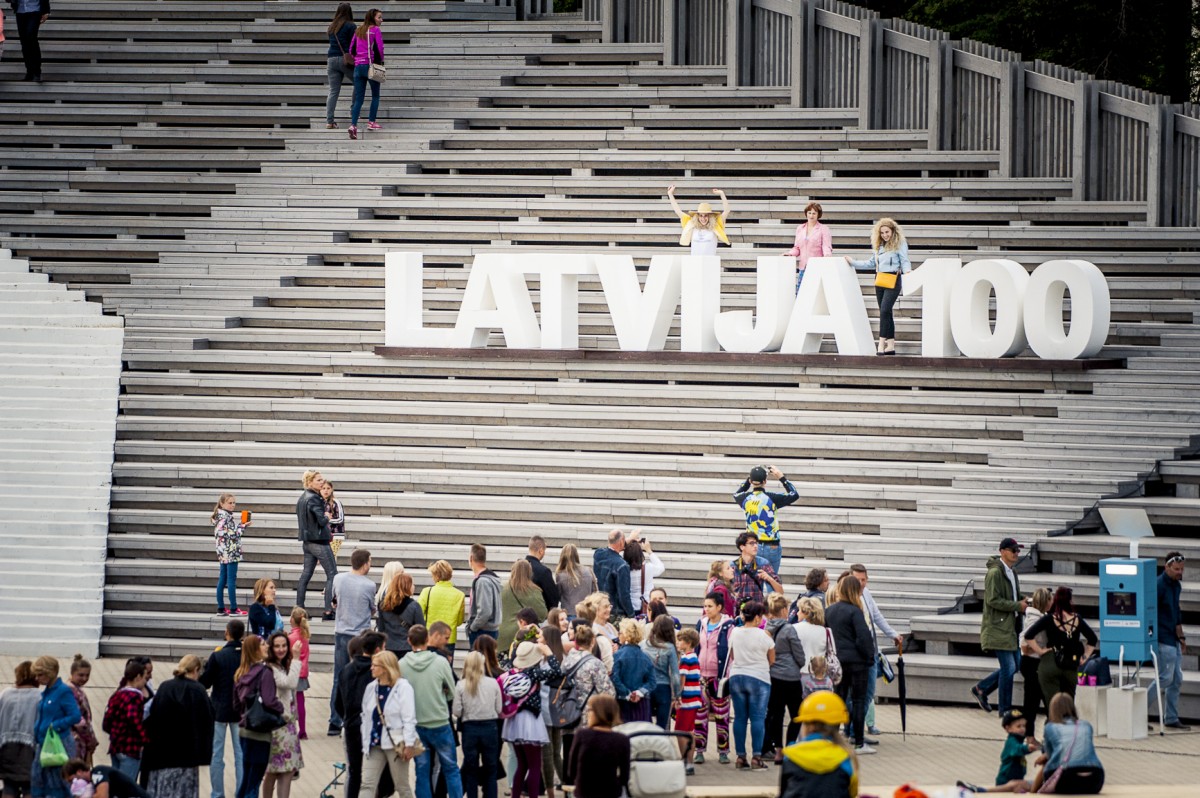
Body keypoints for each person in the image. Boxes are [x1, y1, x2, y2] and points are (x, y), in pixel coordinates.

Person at [399, 625, 462, 798]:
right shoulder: (441, 662)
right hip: (440, 722)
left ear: (409, 641)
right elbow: (452, 691)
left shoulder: (402, 665)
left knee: (422, 771)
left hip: (417, 724)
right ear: (428, 639)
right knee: (451, 768)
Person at [141, 655, 215, 798]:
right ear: (196, 670)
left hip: (162, 755)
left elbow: (153, 716)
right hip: (188, 756)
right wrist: (204, 754)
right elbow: (207, 720)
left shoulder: (164, 687)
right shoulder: (198, 690)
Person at [972, 538, 1028, 717]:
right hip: (998, 627)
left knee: (1015, 665)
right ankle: (1004, 709)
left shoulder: (1012, 571)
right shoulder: (995, 572)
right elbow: (992, 600)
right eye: (1013, 550)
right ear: (1002, 551)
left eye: (1018, 551)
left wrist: (1027, 601)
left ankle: (982, 688)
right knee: (1009, 668)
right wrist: (1017, 606)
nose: (1016, 554)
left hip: (1010, 628)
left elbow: (1014, 595)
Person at [501, 641, 561, 798]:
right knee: (535, 765)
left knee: (522, 765)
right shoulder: (533, 674)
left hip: (514, 722)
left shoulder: (512, 672)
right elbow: (557, 672)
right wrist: (548, 653)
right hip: (531, 721)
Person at [845, 216, 912, 355]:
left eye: (887, 232)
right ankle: (891, 346)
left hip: (893, 279)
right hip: (880, 280)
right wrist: (853, 262)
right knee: (886, 312)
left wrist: (908, 272)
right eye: (882, 233)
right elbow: (871, 263)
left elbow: (905, 261)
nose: (885, 235)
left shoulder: (900, 244)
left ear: (893, 231)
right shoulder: (879, 247)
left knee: (884, 310)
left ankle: (881, 344)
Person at [334, 631, 389, 798]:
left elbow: (338, 702)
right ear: (378, 650)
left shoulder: (345, 670)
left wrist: (347, 717)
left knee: (354, 772)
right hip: (372, 728)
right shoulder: (377, 673)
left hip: (351, 726)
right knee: (380, 773)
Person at [850, 563, 902, 738]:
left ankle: (855, 731)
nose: (862, 583)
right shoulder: (846, 597)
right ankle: (854, 732)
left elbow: (876, 616)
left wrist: (892, 634)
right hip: (856, 654)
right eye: (858, 580)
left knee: (868, 693)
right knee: (857, 695)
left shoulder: (866, 593)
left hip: (871, 651)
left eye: (864, 580)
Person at [824, 575, 874, 755]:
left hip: (838, 660)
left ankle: (832, 739)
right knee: (858, 700)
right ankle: (859, 742)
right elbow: (863, 638)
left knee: (838, 699)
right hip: (857, 662)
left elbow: (826, 635)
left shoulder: (830, 610)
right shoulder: (855, 611)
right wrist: (869, 658)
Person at [359, 651, 419, 797]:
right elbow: (365, 715)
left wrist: (409, 744)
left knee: (402, 786)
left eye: (375, 665)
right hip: (374, 744)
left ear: (386, 668)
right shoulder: (371, 687)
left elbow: (409, 717)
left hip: (396, 743)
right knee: (367, 784)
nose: (371, 668)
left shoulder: (403, 687)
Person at [330, 549, 377, 736]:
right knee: (363, 677)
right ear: (365, 563)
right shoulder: (369, 585)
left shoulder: (338, 579)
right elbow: (372, 609)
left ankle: (334, 720)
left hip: (341, 631)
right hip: (360, 636)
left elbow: (335, 601)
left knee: (338, 677)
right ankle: (359, 717)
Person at [1023, 587, 1097, 704]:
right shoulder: (1077, 619)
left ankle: (1053, 720)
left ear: (1055, 601)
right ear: (1070, 601)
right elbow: (1093, 639)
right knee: (1068, 702)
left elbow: (1028, 636)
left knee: (1054, 704)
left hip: (1052, 662)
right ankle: (1067, 721)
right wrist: (1085, 656)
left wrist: (1040, 651)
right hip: (1071, 664)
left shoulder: (1049, 618)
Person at [778, 691, 858, 798]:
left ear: (808, 726)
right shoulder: (845, 758)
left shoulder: (790, 756)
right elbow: (852, 793)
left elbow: (783, 792)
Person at [232, 636, 284, 798]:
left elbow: (235, 704)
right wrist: (280, 707)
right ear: (255, 650)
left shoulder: (241, 673)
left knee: (246, 779)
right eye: (262, 644)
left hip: (244, 730)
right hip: (260, 732)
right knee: (254, 783)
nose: (267, 646)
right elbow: (269, 700)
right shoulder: (264, 672)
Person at [199, 619, 245, 798]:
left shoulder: (217, 656)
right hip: (240, 710)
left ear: (227, 633)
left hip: (219, 708)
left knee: (216, 754)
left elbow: (206, 682)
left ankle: (217, 793)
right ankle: (241, 792)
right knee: (240, 755)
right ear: (241, 635)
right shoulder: (246, 656)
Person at [728, 601, 775, 770]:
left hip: (737, 676)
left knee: (740, 718)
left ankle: (740, 757)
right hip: (759, 678)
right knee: (757, 718)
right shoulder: (764, 635)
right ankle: (756, 757)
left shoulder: (735, 632)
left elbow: (732, 655)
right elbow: (772, 659)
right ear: (756, 617)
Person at [1030, 694, 1104, 794]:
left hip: (1066, 778)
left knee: (1048, 764)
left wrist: (1044, 756)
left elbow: (1050, 758)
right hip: (1095, 777)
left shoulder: (1050, 727)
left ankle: (1033, 792)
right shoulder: (1086, 725)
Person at [693, 592, 735, 765]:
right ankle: (699, 751)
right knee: (700, 716)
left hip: (719, 679)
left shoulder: (728, 625)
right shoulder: (701, 624)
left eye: (710, 606)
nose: (706, 609)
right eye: (705, 606)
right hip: (701, 677)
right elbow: (696, 647)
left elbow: (732, 651)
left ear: (719, 607)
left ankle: (723, 751)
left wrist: (727, 673)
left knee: (721, 716)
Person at [452, 651, 502, 798]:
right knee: (491, 769)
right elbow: (499, 709)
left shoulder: (461, 685)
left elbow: (457, 711)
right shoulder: (493, 683)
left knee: (470, 770)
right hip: (490, 727)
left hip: (470, 729)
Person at [733, 466, 799, 576]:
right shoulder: (772, 498)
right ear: (765, 481)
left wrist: (748, 482)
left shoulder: (744, 498)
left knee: (755, 584)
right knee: (771, 583)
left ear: (751, 481)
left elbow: (736, 493)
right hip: (771, 545)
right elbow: (794, 494)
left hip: (753, 546)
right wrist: (781, 477)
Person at [956, 710, 1042, 794]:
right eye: (1018, 726)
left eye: (1024, 726)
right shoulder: (1011, 742)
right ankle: (979, 790)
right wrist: (1027, 748)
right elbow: (1016, 750)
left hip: (1015, 779)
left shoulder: (1018, 741)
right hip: (1005, 780)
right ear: (1008, 728)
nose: (1022, 729)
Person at [31, 656, 81, 798]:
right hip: (43, 744)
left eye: (40, 674)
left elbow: (75, 715)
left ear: (50, 672)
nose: (37, 678)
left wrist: (55, 726)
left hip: (58, 744)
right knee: (39, 780)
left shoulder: (63, 691)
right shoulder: (47, 692)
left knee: (57, 782)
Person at [262, 632, 304, 797]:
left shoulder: (280, 665)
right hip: (277, 726)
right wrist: (296, 658)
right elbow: (289, 683)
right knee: (274, 770)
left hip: (288, 724)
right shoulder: (271, 667)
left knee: (285, 770)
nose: (281, 649)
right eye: (277, 646)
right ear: (271, 648)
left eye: (284, 645)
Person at [765, 594, 805, 762]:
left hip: (773, 676)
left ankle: (778, 750)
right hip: (791, 677)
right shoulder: (789, 629)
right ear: (783, 610)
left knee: (776, 714)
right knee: (797, 714)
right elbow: (799, 655)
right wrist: (799, 664)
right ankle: (790, 745)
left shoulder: (766, 628)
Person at [1150, 551, 1188, 729]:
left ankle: (1171, 717)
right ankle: (1139, 710)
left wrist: (1181, 636)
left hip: (1172, 637)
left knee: (1177, 678)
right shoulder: (1159, 585)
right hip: (1162, 636)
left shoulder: (1176, 586)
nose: (1179, 572)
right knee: (1165, 678)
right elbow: (1151, 611)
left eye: (1181, 569)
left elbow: (1176, 612)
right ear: (1166, 567)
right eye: (1176, 569)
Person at [566, 695, 630, 798]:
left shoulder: (582, 735)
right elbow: (624, 778)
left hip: (584, 792)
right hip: (611, 792)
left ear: (595, 713)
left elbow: (572, 772)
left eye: (589, 710)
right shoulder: (622, 739)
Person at [295, 469, 337, 622]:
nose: (322, 482)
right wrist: (326, 516)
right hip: (319, 542)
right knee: (332, 574)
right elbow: (321, 521)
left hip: (307, 542)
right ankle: (328, 611)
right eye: (318, 480)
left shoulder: (302, 498)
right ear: (310, 482)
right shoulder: (314, 499)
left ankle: (299, 609)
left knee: (306, 575)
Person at [101, 662, 149, 782]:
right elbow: (133, 718)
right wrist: (144, 739)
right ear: (138, 677)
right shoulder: (135, 696)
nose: (145, 682)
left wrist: (114, 733)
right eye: (145, 677)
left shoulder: (117, 695)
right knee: (126, 785)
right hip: (130, 747)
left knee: (115, 784)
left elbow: (107, 721)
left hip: (116, 745)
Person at [0, 661, 40, 797]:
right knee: (30, 786)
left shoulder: (5, 694)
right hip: (31, 747)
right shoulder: (39, 696)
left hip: (6, 746)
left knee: (9, 786)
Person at [347, 8, 384, 140]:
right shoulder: (375, 30)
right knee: (375, 95)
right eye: (379, 17)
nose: (381, 20)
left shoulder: (359, 30)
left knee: (359, 99)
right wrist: (380, 63)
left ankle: (353, 125)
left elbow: (351, 49)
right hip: (371, 65)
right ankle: (371, 122)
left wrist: (358, 59)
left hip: (358, 67)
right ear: (373, 18)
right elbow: (380, 48)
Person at [1019, 587, 1052, 734]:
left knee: (1034, 701)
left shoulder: (1038, 616)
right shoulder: (1034, 620)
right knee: (1033, 702)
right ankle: (1029, 735)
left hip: (1034, 663)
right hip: (1033, 663)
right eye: (1050, 599)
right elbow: (1025, 645)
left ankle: (1031, 734)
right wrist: (1041, 649)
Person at [499, 560, 548, 653]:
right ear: (529, 572)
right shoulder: (533, 591)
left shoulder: (503, 589)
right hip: (522, 636)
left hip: (501, 636)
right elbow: (542, 614)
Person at [611, 619, 655, 724]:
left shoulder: (618, 655)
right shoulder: (645, 657)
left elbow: (615, 678)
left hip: (623, 702)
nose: (618, 635)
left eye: (620, 632)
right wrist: (639, 692)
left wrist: (627, 693)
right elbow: (652, 682)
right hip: (642, 703)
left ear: (626, 635)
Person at [211, 493, 248, 616]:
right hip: (230, 551)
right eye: (229, 503)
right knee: (231, 580)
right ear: (222, 503)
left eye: (234, 503)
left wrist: (239, 527)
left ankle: (221, 608)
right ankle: (233, 608)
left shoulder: (220, 516)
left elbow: (226, 533)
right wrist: (242, 526)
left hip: (223, 552)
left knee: (223, 579)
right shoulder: (225, 517)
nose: (232, 505)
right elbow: (231, 535)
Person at [783, 202, 833, 293]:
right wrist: (790, 253)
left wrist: (827, 256)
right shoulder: (800, 228)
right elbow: (797, 248)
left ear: (818, 215)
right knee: (801, 294)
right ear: (806, 213)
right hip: (803, 267)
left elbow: (826, 246)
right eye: (809, 213)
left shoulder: (824, 229)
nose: (811, 215)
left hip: (816, 267)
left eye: (814, 213)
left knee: (814, 294)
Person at [666, 186, 730, 256]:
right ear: (697, 216)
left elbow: (726, 211)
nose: (703, 218)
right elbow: (678, 211)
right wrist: (670, 194)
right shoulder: (691, 224)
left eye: (706, 215)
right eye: (701, 215)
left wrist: (722, 194)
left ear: (710, 216)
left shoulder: (716, 225)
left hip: (710, 262)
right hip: (695, 263)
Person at [418, 560, 466, 652]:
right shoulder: (460, 595)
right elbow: (459, 621)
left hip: (430, 637)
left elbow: (419, 615)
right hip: (449, 639)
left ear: (435, 575)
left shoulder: (427, 592)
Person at [641, 615, 680, 730]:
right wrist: (677, 695)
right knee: (662, 726)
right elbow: (675, 676)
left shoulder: (643, 645)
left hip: (646, 687)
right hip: (663, 688)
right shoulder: (669, 647)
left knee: (646, 725)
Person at [673, 629, 702, 773]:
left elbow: (682, 681)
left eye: (680, 640)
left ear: (688, 643)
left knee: (679, 731)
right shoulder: (694, 657)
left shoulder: (685, 658)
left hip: (686, 700)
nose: (677, 643)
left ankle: (685, 761)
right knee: (690, 731)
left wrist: (677, 697)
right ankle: (689, 762)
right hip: (694, 700)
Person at [378, 572, 425, 660]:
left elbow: (381, 628)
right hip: (407, 648)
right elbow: (421, 630)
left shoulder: (383, 605)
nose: (414, 586)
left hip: (389, 647)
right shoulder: (414, 606)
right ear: (407, 587)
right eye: (412, 584)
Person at [729, 532, 783, 609]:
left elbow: (780, 591)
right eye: (751, 543)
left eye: (756, 543)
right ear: (742, 547)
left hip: (757, 610)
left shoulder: (763, 563)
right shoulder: (733, 566)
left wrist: (769, 578)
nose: (755, 546)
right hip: (739, 610)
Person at [592, 530, 635, 620]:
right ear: (621, 541)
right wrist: (631, 615)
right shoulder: (622, 565)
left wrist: (626, 540)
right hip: (616, 613)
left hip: (600, 608)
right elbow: (624, 595)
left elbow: (612, 548)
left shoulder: (598, 554)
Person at [325, 2, 356, 128]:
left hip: (331, 59)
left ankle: (329, 121)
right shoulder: (351, 25)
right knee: (358, 82)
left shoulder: (332, 26)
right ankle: (353, 111)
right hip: (345, 60)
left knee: (333, 91)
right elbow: (354, 44)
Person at [66, 655, 98, 768]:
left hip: (80, 741)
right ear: (72, 673)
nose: (84, 678)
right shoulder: (71, 691)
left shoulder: (77, 690)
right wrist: (91, 739)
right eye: (81, 675)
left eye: (87, 675)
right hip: (75, 741)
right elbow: (78, 720)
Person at [468, 543, 503, 645]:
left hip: (482, 631)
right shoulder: (489, 578)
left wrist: (473, 627)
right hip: (488, 630)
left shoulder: (483, 581)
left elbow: (485, 611)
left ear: (471, 558)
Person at [59, 760, 151, 798]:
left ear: (79, 771)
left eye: (72, 780)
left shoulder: (97, 772)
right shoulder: (92, 783)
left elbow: (103, 795)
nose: (73, 784)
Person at [9, 0, 49, 82]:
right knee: (24, 42)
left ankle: (37, 72)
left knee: (31, 37)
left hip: (35, 10)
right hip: (20, 10)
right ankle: (29, 72)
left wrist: (46, 11)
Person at [554, 543, 597, 622]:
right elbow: (595, 592)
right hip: (587, 612)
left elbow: (558, 595)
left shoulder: (560, 575)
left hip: (570, 612)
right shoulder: (588, 571)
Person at [623, 538, 664, 617]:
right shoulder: (648, 568)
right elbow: (661, 567)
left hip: (630, 607)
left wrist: (628, 541)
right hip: (646, 604)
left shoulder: (623, 569)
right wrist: (649, 550)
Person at [287, 608, 312, 739]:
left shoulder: (290, 637)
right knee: (301, 700)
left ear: (292, 620)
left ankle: (291, 728)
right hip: (303, 672)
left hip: (292, 672)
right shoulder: (305, 636)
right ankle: (303, 730)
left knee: (290, 701)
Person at [525, 536, 561, 610]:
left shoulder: (517, 567)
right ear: (541, 551)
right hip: (538, 614)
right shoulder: (543, 571)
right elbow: (553, 599)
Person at [321, 480, 347, 556]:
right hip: (324, 535)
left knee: (330, 557)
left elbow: (340, 519)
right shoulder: (320, 502)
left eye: (328, 488)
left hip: (336, 535)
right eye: (323, 488)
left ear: (332, 489)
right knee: (328, 558)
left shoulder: (336, 502)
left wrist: (327, 520)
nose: (326, 490)